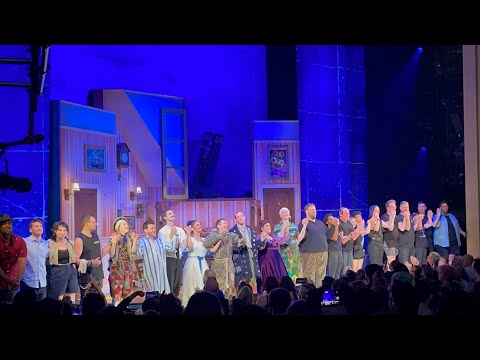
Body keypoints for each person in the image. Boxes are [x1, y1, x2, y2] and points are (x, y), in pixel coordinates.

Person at [203, 218, 241, 298]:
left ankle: (229, 303)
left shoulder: (231, 235)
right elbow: (206, 244)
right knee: (219, 285)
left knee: (230, 286)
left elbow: (238, 243)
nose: (226, 225)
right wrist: (220, 236)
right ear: (218, 225)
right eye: (224, 223)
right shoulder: (213, 235)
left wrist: (241, 242)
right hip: (218, 265)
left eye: (226, 223)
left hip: (229, 264)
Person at [105, 217, 138, 306]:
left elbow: (133, 252)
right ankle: (116, 309)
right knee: (117, 289)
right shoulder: (114, 237)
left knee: (127, 290)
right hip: (117, 267)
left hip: (128, 267)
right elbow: (112, 254)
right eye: (124, 224)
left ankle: (125, 308)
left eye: (126, 224)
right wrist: (114, 242)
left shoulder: (129, 238)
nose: (126, 225)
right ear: (118, 227)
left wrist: (134, 241)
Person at [74, 215, 106, 301]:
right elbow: (75, 260)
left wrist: (111, 243)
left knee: (99, 303)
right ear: (87, 224)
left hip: (98, 276)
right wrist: (90, 263)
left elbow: (101, 254)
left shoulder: (95, 236)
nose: (96, 224)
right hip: (87, 279)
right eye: (94, 222)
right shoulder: (79, 239)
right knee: (87, 304)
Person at [136, 219, 172, 295]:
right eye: (151, 228)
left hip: (160, 271)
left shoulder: (159, 241)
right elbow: (138, 254)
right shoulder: (141, 242)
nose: (154, 230)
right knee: (151, 292)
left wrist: (174, 236)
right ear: (145, 230)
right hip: (149, 271)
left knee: (162, 291)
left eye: (154, 228)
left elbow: (171, 247)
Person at [229, 211, 262, 291]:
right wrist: (239, 243)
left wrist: (262, 240)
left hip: (251, 253)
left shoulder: (249, 229)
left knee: (253, 276)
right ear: (235, 220)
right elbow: (231, 247)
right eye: (238, 217)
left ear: (244, 217)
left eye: (241, 216)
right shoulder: (232, 231)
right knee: (242, 278)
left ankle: (253, 295)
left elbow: (253, 243)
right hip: (241, 256)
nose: (240, 218)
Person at [297, 203, 329, 287]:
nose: (314, 211)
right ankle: (307, 295)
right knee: (309, 278)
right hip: (309, 254)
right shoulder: (303, 224)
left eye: (315, 209)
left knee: (321, 277)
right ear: (306, 211)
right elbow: (300, 238)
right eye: (312, 210)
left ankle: (318, 294)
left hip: (323, 253)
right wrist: (304, 226)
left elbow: (328, 235)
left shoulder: (320, 223)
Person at [48, 221, 79, 302]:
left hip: (70, 270)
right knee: (58, 296)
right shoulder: (50, 244)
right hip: (57, 271)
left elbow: (75, 258)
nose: (62, 232)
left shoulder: (71, 243)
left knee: (71, 295)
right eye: (60, 230)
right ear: (55, 231)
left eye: (64, 230)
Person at [158, 209, 186, 297]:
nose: (173, 214)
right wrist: (172, 235)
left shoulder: (180, 229)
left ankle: (176, 298)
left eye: (173, 213)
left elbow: (183, 243)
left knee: (178, 281)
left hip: (179, 257)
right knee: (170, 279)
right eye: (170, 214)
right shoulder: (162, 231)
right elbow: (165, 246)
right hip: (169, 258)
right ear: (165, 217)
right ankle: (169, 299)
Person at [0, 214, 27, 304]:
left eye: (9, 223)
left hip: (13, 284)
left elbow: (22, 262)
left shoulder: (19, 241)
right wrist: (9, 280)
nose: (8, 226)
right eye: (4, 224)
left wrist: (17, 281)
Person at [181, 220, 209, 307]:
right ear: (192, 228)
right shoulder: (190, 238)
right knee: (191, 284)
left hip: (203, 263)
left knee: (203, 283)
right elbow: (190, 247)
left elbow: (212, 249)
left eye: (200, 224)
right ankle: (190, 306)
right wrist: (188, 233)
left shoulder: (204, 240)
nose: (200, 226)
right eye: (197, 225)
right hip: (192, 263)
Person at [273, 207, 303, 282]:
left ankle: (297, 288)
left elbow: (297, 238)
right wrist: (284, 227)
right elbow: (279, 240)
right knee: (286, 270)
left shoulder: (294, 226)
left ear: (289, 214)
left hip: (294, 252)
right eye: (283, 212)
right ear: (280, 215)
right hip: (284, 252)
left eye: (286, 212)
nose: (285, 213)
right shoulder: (277, 226)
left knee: (296, 270)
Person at [21, 219, 49, 301]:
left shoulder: (46, 243)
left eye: (40, 226)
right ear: (30, 230)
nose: (39, 228)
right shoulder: (24, 242)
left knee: (42, 309)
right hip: (28, 282)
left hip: (42, 283)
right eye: (36, 226)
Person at [256, 220, 289, 288]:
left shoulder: (273, 237)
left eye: (269, 226)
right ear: (262, 228)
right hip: (267, 261)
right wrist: (263, 238)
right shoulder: (259, 238)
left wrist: (284, 228)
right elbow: (258, 246)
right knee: (269, 276)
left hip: (276, 260)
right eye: (267, 226)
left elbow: (281, 239)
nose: (269, 227)